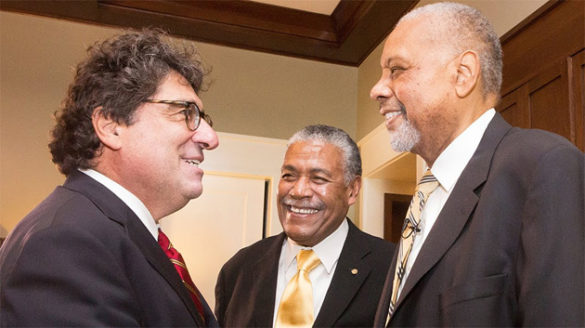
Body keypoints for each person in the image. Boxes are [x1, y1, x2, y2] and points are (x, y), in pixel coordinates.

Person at [369, 2, 584, 327]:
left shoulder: (542, 166)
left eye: (396, 69)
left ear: (463, 74)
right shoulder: (424, 198)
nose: (377, 90)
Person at [0, 29, 220, 327]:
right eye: (185, 112)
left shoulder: (115, 233)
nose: (210, 137)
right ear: (111, 125)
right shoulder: (66, 242)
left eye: (203, 119)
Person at [215, 125, 395, 327]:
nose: (299, 191)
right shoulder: (239, 270)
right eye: (288, 176)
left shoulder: (392, 269)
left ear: (352, 190)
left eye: (318, 178)